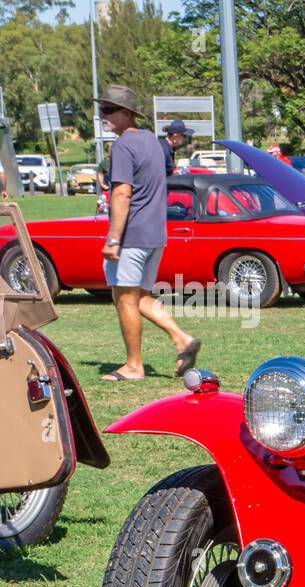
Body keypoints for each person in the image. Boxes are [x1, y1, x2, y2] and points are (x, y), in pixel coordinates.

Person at [95, 85, 198, 382]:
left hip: (133, 235)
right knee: (138, 295)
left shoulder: (123, 146)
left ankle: (133, 366)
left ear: (126, 114)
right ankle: (182, 339)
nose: (104, 116)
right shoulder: (153, 142)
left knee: (124, 299)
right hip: (156, 234)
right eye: (102, 109)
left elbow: (122, 193)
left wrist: (113, 238)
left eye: (109, 110)